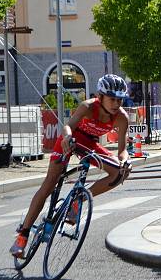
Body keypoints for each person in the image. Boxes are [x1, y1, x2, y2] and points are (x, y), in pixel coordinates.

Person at [10, 75, 132, 257]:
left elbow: (122, 150)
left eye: (120, 99)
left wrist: (124, 161)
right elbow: (68, 126)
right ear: (101, 96)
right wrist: (67, 138)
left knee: (120, 173)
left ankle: (78, 201)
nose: (116, 103)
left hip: (90, 144)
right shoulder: (88, 106)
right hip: (70, 140)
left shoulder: (122, 117)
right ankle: (23, 235)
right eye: (112, 99)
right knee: (49, 184)